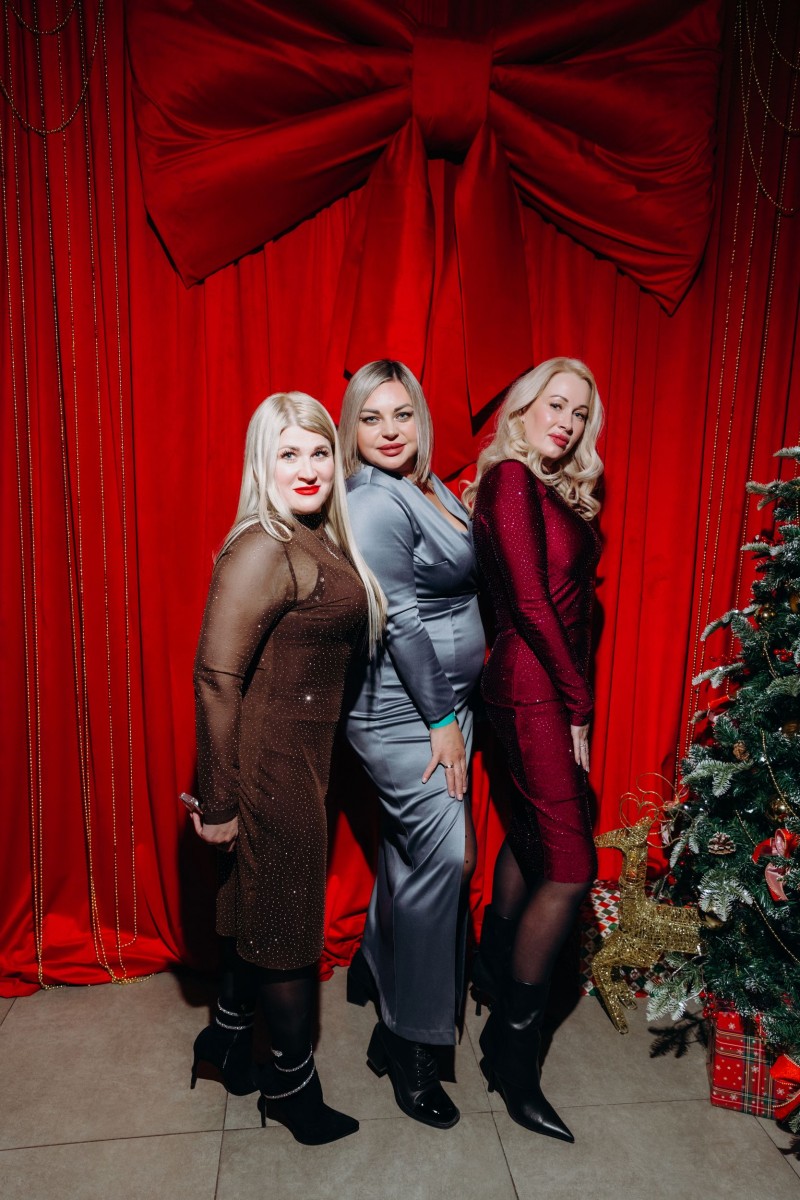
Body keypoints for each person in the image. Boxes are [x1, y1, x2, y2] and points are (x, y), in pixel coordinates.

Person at [189, 391, 385, 1145]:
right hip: (270, 769)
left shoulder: (314, 537)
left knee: (260, 912)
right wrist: (219, 803)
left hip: (301, 760)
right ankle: (292, 1091)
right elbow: (216, 679)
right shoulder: (263, 545)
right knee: (288, 933)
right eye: (288, 453)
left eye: (320, 451)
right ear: (261, 463)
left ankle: (226, 1039)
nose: (308, 468)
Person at [339, 360, 485, 1129]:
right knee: (445, 858)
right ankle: (412, 1045)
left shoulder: (428, 486)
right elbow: (398, 617)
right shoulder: (371, 500)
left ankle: (380, 970)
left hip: (447, 706)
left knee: (410, 853)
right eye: (372, 418)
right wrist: (440, 722)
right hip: (405, 714)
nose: (390, 430)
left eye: (402, 414)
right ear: (352, 427)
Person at [464, 357, 604, 1143]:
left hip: (541, 686)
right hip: (532, 688)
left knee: (529, 836)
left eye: (580, 414)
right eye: (556, 405)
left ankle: (490, 975)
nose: (568, 423)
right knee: (572, 867)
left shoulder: (546, 488)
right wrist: (577, 703)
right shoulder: (512, 480)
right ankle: (512, 1058)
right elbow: (527, 603)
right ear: (522, 409)